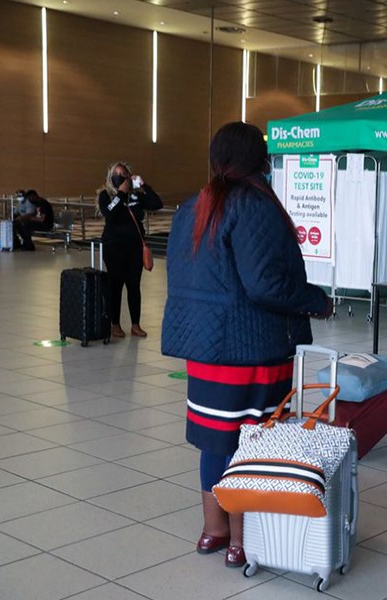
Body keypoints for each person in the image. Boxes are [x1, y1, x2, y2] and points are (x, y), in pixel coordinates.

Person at [161, 122, 332, 569]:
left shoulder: (192, 207)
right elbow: (264, 286)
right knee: (254, 442)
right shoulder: (254, 205)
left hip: (203, 349)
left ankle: (212, 531)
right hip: (251, 347)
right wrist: (317, 301)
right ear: (258, 159)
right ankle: (243, 540)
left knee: (215, 442)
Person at [97, 162, 163, 338]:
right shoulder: (106, 195)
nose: (120, 177)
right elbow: (109, 215)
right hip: (113, 248)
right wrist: (121, 194)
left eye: (123, 174)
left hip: (134, 248)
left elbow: (157, 204)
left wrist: (143, 185)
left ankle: (135, 324)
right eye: (116, 174)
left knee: (134, 286)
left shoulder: (136, 196)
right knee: (116, 286)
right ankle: (115, 324)